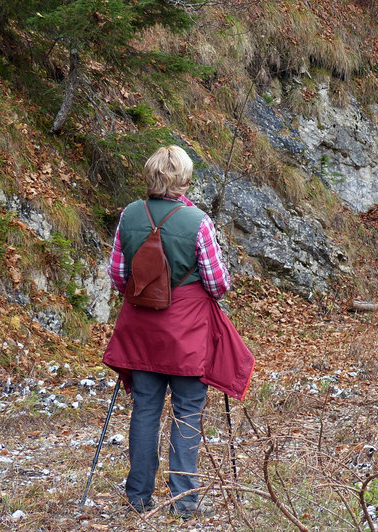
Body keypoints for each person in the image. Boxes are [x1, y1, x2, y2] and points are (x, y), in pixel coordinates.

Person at [102, 145, 254, 518]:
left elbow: (118, 276)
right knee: (187, 411)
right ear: (184, 180)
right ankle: (184, 501)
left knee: (145, 410)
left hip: (141, 329)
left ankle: (138, 498)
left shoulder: (129, 215)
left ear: (151, 175)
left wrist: (145, 297)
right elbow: (218, 284)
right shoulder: (199, 221)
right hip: (186, 331)